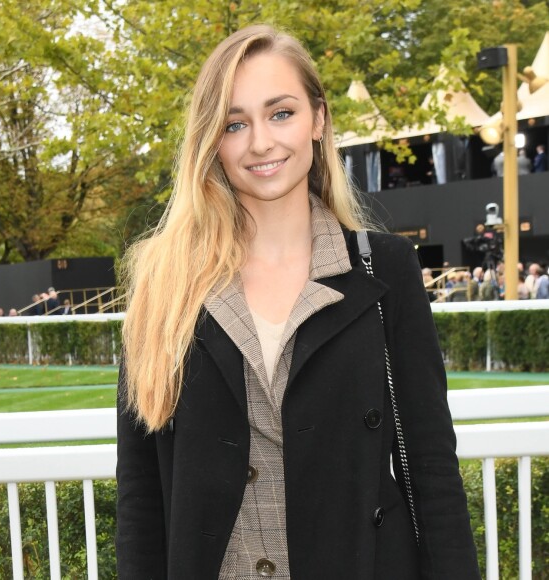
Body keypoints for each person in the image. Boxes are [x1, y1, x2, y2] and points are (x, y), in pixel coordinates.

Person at [116, 25, 479, 579]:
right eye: (235, 123)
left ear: (319, 119)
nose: (261, 142)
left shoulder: (384, 269)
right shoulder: (163, 285)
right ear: (213, 141)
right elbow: (141, 493)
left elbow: (430, 467)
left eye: (280, 113)